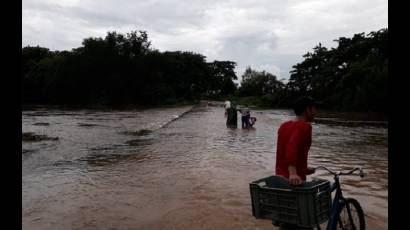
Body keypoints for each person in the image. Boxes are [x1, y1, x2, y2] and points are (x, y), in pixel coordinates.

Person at [274, 96, 317, 229]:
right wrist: (293, 173)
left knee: (288, 222)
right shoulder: (305, 127)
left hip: (280, 181)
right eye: (314, 109)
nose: (316, 112)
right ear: (307, 110)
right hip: (294, 183)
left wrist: (303, 168)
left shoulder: (284, 126)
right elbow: (291, 147)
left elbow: (285, 150)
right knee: (305, 222)